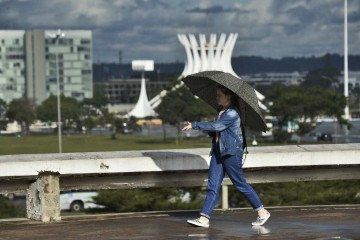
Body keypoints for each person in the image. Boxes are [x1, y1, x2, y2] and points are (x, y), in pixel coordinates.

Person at [181, 85, 270, 228]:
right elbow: (218, 131)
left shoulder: (233, 113)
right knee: (213, 185)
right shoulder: (222, 111)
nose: (217, 97)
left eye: (219, 95)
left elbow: (218, 126)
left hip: (231, 152)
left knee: (239, 183)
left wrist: (195, 125)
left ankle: (262, 212)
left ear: (228, 96)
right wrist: (210, 131)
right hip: (218, 150)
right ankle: (204, 218)